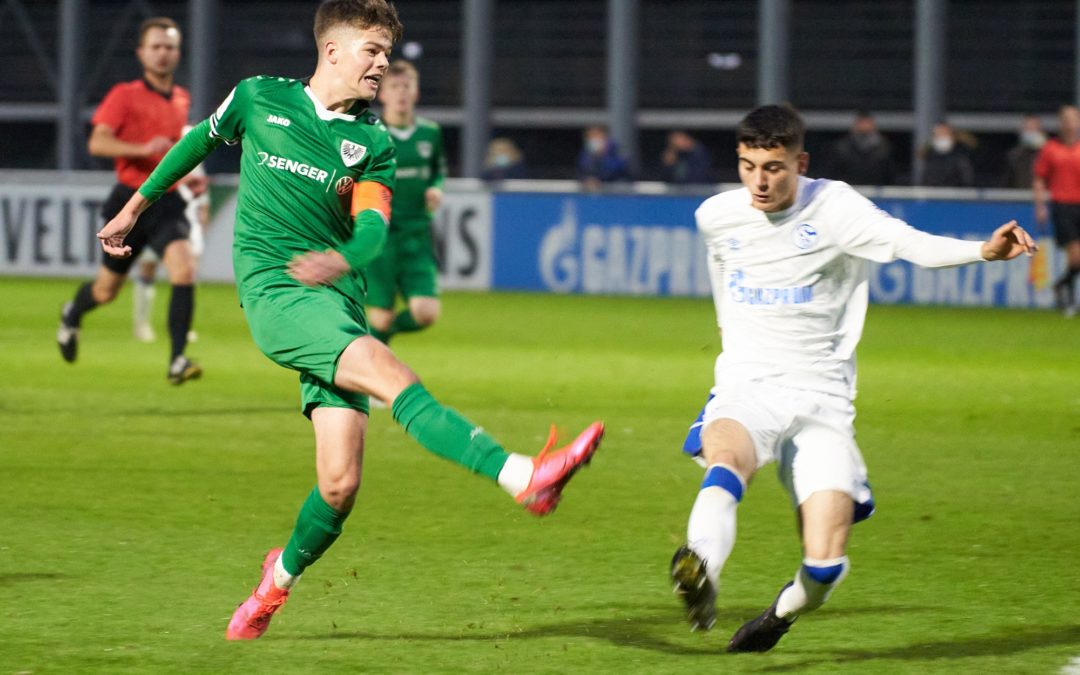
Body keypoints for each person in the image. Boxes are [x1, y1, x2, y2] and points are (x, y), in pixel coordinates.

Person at [95, 0, 604, 641]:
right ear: (332, 50)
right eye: (373, 50)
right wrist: (136, 208)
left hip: (334, 299)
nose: (383, 64)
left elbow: (371, 232)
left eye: (388, 53)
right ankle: (521, 475)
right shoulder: (257, 98)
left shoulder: (371, 143)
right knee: (394, 375)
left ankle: (274, 582)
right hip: (275, 291)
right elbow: (199, 140)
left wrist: (342, 258)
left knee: (339, 487)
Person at [668, 104, 1034, 652]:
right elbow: (724, 277)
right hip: (750, 385)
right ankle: (699, 571)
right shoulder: (716, 216)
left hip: (822, 400)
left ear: (801, 161)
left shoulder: (837, 209)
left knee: (824, 566)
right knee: (728, 461)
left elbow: (910, 244)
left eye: (773, 168)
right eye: (748, 166)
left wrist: (982, 251)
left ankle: (781, 614)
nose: (759, 182)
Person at [56, 16, 206, 384]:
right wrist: (141, 148)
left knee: (184, 270)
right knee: (106, 292)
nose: (163, 54)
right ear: (141, 53)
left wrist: (188, 176)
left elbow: (172, 157)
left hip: (167, 201)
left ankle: (177, 360)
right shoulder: (124, 95)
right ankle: (73, 311)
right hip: (127, 202)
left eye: (169, 47)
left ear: (178, 52)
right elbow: (97, 142)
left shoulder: (182, 99)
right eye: (155, 47)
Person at [364, 60, 446, 345]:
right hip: (381, 238)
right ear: (382, 94)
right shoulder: (371, 133)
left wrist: (436, 188)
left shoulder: (429, 133)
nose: (401, 93)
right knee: (380, 316)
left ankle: (377, 339)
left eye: (406, 86)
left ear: (416, 92)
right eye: (394, 87)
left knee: (426, 313)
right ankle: (369, 374)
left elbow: (438, 170)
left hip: (416, 236)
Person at [132, 134, 210, 343]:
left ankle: (183, 327)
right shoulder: (159, 141)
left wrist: (202, 220)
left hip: (187, 221)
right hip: (159, 218)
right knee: (148, 266)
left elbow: (202, 195)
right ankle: (141, 323)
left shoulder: (194, 138)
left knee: (187, 272)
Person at [1034, 105, 1080, 317]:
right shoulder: (1051, 149)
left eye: (1074, 119)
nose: (1071, 124)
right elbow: (1040, 178)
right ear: (1062, 124)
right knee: (1075, 256)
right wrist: (1040, 205)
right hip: (1062, 205)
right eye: (1067, 120)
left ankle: (1062, 285)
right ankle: (1068, 294)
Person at [824, 110, 894, 186]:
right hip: (849, 190)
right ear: (855, 125)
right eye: (861, 123)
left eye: (867, 123)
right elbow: (833, 173)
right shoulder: (842, 147)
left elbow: (890, 174)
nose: (864, 127)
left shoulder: (884, 148)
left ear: (873, 125)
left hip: (878, 191)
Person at [919, 121, 975, 187]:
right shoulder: (930, 154)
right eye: (938, 134)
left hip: (955, 192)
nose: (942, 136)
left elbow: (966, 177)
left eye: (944, 133)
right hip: (933, 192)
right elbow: (927, 177)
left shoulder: (961, 153)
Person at [576, 125, 631, 189]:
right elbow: (580, 172)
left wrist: (601, 157)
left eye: (596, 135)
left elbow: (617, 171)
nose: (593, 139)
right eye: (590, 137)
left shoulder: (619, 152)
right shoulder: (585, 155)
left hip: (618, 192)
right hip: (595, 193)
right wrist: (586, 179)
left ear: (605, 136)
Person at [1004, 114, 1045, 189]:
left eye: (1033, 128)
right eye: (1027, 128)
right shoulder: (1013, 156)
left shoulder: (1046, 154)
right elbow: (1008, 182)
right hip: (1019, 197)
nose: (1030, 132)